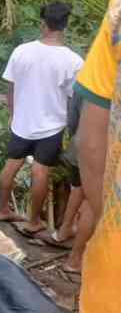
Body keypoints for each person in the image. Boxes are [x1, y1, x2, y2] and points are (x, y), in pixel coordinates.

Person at [54, 0, 121, 313]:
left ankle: (68, 242)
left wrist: (108, 215)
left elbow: (91, 132)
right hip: (49, 131)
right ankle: (71, 251)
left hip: (109, 312)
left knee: (85, 193)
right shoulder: (67, 59)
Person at [0, 2, 84, 235]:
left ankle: (1, 209)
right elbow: (74, 100)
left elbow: (10, 87)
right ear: (66, 25)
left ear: (42, 23)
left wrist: (14, 114)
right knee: (40, 172)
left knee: (11, 165)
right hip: (52, 127)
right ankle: (33, 222)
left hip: (21, 123)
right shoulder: (73, 61)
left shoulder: (21, 51)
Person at [37, 92, 94, 274]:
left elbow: (73, 116)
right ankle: (76, 260)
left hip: (80, 145)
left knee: (78, 189)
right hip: (102, 152)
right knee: (91, 203)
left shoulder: (92, 74)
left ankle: (63, 232)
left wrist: (76, 136)